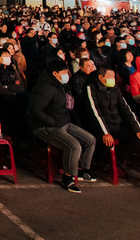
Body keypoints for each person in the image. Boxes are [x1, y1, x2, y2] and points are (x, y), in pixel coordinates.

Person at [28, 61, 97, 193]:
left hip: (64, 122)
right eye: (64, 73)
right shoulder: (45, 87)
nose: (67, 75)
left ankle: (81, 169)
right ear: (55, 73)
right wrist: (51, 121)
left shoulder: (59, 85)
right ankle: (68, 178)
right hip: (46, 126)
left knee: (90, 140)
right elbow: (35, 110)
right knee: (74, 146)